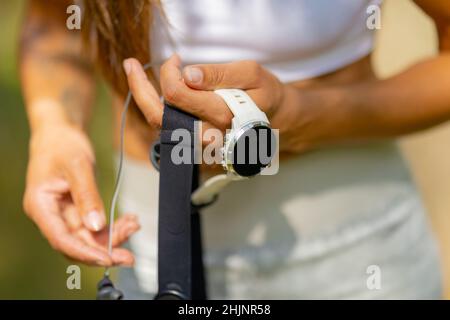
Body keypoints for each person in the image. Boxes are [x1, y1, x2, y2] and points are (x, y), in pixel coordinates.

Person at [20, 0, 450, 299]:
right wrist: (55, 126)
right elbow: (56, 22)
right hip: (148, 252)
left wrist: (303, 116)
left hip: (354, 258)